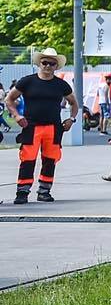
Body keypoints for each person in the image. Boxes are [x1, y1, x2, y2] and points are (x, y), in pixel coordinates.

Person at [7, 47, 80, 203]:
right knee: (27, 159)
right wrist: (17, 115)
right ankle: (22, 192)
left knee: (50, 159)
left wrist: (72, 119)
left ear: (56, 66)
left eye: (51, 64)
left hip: (53, 127)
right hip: (31, 126)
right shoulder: (27, 81)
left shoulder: (61, 85)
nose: (47, 66)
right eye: (45, 62)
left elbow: (74, 103)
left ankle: (44, 191)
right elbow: (9, 99)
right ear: (39, 63)